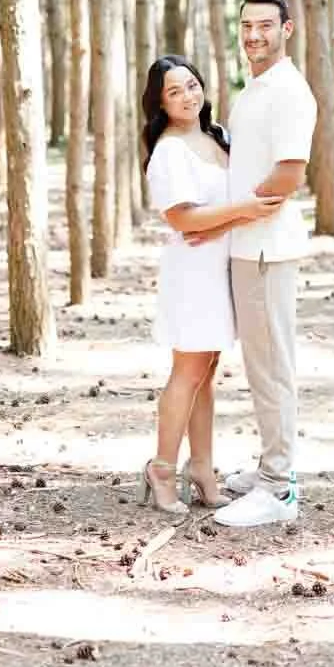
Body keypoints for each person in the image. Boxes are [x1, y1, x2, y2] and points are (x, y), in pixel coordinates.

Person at [139, 55, 269, 512]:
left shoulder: (219, 137)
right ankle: (162, 468)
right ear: (160, 103)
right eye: (174, 92)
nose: (188, 96)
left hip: (222, 265)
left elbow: (219, 211)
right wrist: (242, 213)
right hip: (193, 272)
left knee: (207, 373)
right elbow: (181, 218)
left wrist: (225, 223)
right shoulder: (169, 150)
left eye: (192, 85)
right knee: (188, 371)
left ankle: (202, 466)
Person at [213, 0, 316, 529]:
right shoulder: (255, 88)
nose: (254, 35)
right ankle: (270, 469)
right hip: (245, 247)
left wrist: (229, 216)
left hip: (268, 249)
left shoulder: (289, 92)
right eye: (247, 25)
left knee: (273, 368)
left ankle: (279, 489)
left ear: (287, 29)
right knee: (260, 366)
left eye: (265, 26)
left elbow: (288, 176)